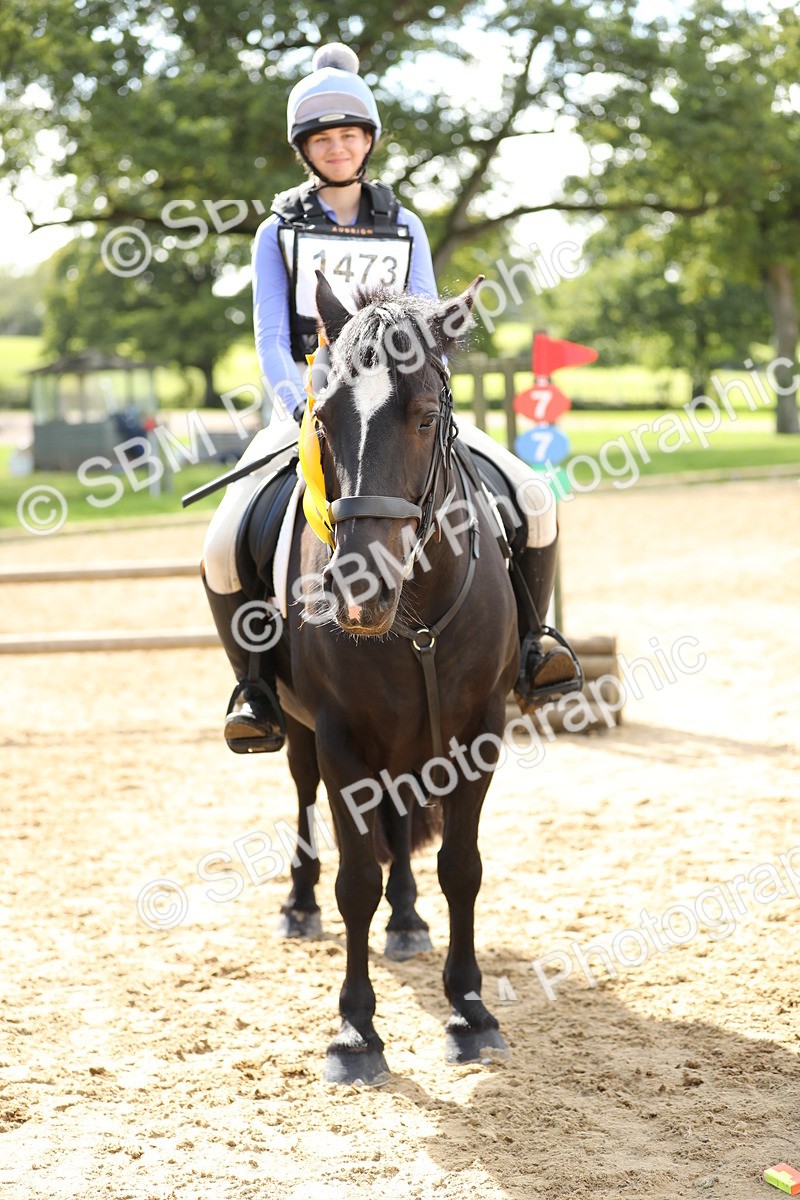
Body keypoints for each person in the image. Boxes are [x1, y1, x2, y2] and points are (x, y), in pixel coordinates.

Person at [201, 42, 580, 754]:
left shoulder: (403, 225)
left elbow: (431, 319)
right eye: (323, 138)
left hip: (402, 409)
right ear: (305, 150)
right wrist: (300, 407)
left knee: (533, 497)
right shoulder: (276, 230)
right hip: (316, 409)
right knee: (223, 541)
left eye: (349, 135)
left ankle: (534, 645)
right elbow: (269, 335)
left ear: (367, 142)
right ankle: (255, 686)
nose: (338, 148)